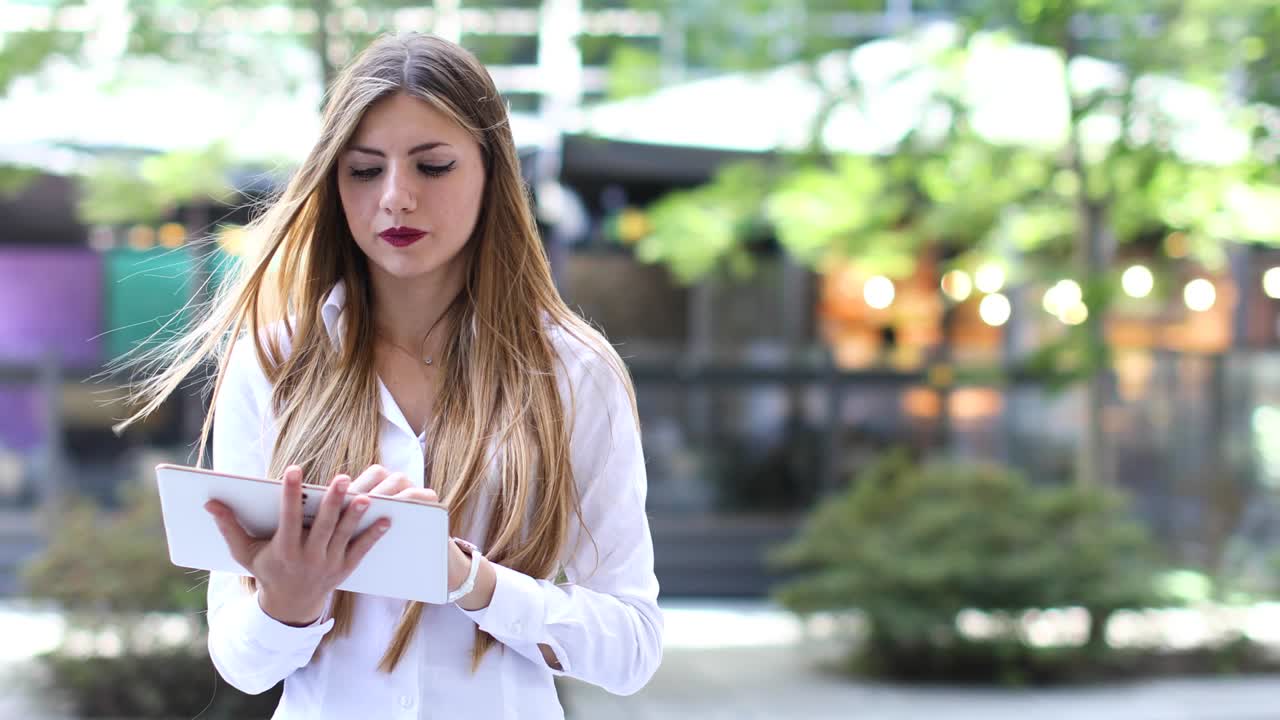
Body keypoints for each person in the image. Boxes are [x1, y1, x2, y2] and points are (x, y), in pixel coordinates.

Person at [115, 31, 662, 719]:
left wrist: (467, 579)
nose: (396, 197)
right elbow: (241, 662)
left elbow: (633, 649)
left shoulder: (573, 372)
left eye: (432, 166)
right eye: (365, 170)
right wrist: (289, 600)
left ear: (493, 173)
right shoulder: (276, 359)